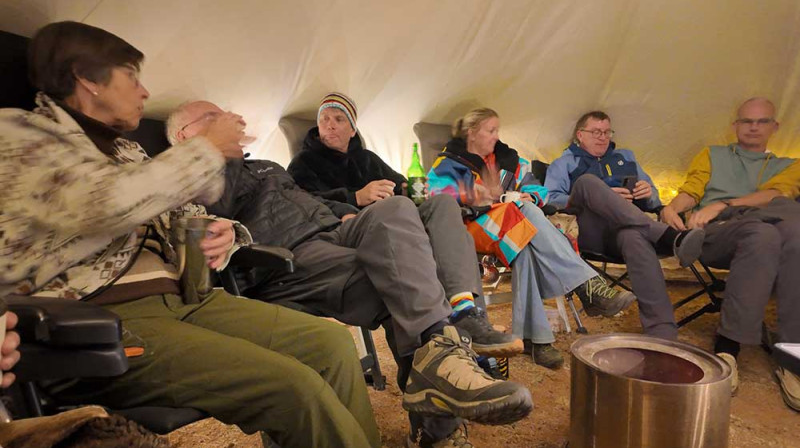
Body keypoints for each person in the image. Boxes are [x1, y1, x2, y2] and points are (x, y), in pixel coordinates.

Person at [0, 21, 383, 448]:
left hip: (187, 297)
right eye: (132, 77)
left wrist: (227, 233)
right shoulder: (19, 134)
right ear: (87, 78)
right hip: (103, 318)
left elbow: (188, 214)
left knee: (331, 344)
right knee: (295, 386)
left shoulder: (127, 151)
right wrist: (205, 149)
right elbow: (102, 203)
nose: (145, 92)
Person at [167, 100, 533, 447]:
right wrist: (217, 152)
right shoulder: (181, 175)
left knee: (409, 208)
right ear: (183, 135)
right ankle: (439, 419)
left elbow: (308, 200)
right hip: (289, 257)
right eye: (212, 119)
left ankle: (462, 319)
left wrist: (343, 211)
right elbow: (207, 214)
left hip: (334, 231)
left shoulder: (267, 166)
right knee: (407, 284)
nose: (226, 122)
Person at [426, 107, 637, 368]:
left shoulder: (508, 159)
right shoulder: (451, 161)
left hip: (511, 226)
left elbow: (538, 188)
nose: (495, 136)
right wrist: (473, 193)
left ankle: (534, 340)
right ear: (472, 133)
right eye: (490, 131)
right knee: (525, 215)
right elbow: (434, 194)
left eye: (497, 130)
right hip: (470, 227)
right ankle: (586, 286)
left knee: (525, 238)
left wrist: (532, 196)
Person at [660, 97, 800, 405]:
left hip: (763, 234)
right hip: (718, 234)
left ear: (775, 127)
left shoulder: (791, 165)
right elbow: (692, 190)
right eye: (747, 121)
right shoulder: (712, 154)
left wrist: (724, 204)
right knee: (776, 226)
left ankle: (789, 354)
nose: (753, 127)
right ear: (735, 125)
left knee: (777, 226)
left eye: (762, 121)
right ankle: (729, 347)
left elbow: (775, 194)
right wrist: (671, 207)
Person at [545, 111, 706, 340]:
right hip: (588, 231)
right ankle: (668, 236)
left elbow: (654, 201)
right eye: (596, 132)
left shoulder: (626, 158)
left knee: (633, 238)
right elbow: (550, 199)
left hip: (625, 230)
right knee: (588, 183)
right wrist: (604, 194)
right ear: (580, 135)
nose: (603, 137)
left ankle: (662, 334)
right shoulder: (564, 163)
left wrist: (647, 193)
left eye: (607, 132)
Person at [287, 92, 407, 208]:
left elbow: (399, 184)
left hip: (384, 213)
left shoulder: (367, 159)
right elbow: (300, 202)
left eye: (339, 119)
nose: (330, 126)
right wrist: (355, 198)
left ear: (353, 130)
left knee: (411, 206)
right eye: (325, 119)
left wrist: (408, 189)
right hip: (340, 220)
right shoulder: (303, 161)